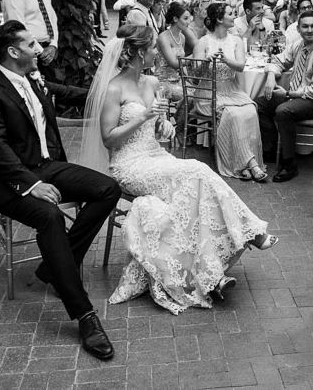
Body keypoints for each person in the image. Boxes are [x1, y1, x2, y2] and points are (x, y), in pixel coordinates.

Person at [79, 25, 277, 315]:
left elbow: (155, 127)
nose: (156, 53)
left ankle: (212, 274)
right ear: (136, 52)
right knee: (196, 171)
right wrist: (143, 116)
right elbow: (109, 138)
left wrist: (163, 125)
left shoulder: (151, 82)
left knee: (194, 184)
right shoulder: (114, 88)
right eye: (151, 49)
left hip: (155, 155)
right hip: (129, 164)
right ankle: (247, 231)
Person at [0, 20, 121, 360]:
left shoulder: (33, 81)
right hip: (8, 182)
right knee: (50, 216)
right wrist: (31, 184)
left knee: (107, 189)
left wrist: (118, 94)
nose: (39, 49)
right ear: (13, 52)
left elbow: (70, 95)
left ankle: (54, 266)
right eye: (31, 44)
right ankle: (84, 315)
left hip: (47, 166)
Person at [255, 11, 313, 182]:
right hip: (297, 95)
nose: (310, 30)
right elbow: (279, 60)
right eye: (305, 26)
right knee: (259, 104)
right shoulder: (299, 45)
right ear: (298, 29)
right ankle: (271, 149)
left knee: (284, 111)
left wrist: (287, 94)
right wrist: (270, 77)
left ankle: (289, 163)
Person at [193, 4, 267, 181]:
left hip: (231, 89)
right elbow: (196, 73)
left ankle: (242, 165)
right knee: (233, 114)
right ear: (219, 19)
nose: (234, 16)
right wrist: (205, 61)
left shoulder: (235, 40)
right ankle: (251, 164)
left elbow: (241, 66)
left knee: (250, 110)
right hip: (208, 92)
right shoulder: (203, 42)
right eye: (230, 14)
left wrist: (226, 60)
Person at [155, 2, 192, 99]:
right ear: (175, 19)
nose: (188, 22)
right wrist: (194, 56)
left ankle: (180, 114)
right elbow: (174, 63)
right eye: (185, 18)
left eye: (189, 18)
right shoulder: (164, 37)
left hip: (178, 79)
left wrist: (188, 78)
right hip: (163, 81)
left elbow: (181, 65)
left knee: (199, 94)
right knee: (190, 97)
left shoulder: (182, 37)